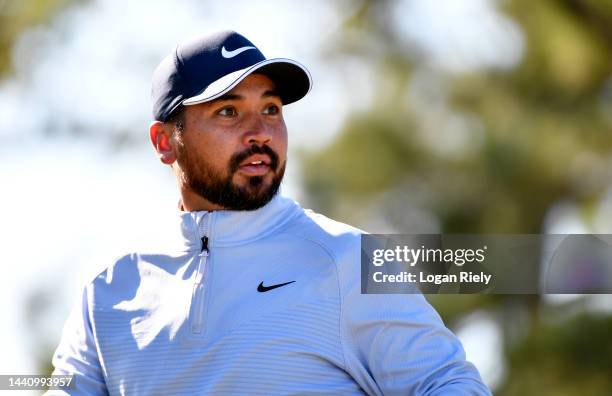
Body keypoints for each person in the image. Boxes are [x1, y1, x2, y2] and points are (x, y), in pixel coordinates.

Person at [47, 30, 492, 395]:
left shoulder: (348, 260)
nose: (260, 133)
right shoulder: (107, 291)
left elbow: (451, 385)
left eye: (271, 109)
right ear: (166, 142)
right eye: (228, 112)